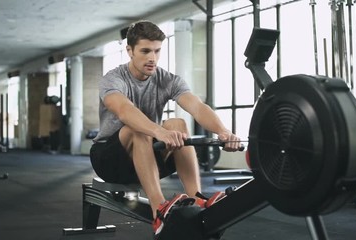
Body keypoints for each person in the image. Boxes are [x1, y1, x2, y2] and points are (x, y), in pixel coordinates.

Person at [90, 20, 242, 239]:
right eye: (145, 51)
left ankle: (197, 198)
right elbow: (123, 110)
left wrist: (223, 131)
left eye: (157, 51)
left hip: (145, 156)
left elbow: (197, 107)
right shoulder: (113, 79)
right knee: (138, 129)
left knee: (178, 125)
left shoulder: (167, 79)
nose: (152, 58)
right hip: (109, 159)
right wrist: (158, 132)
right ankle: (158, 210)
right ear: (130, 51)